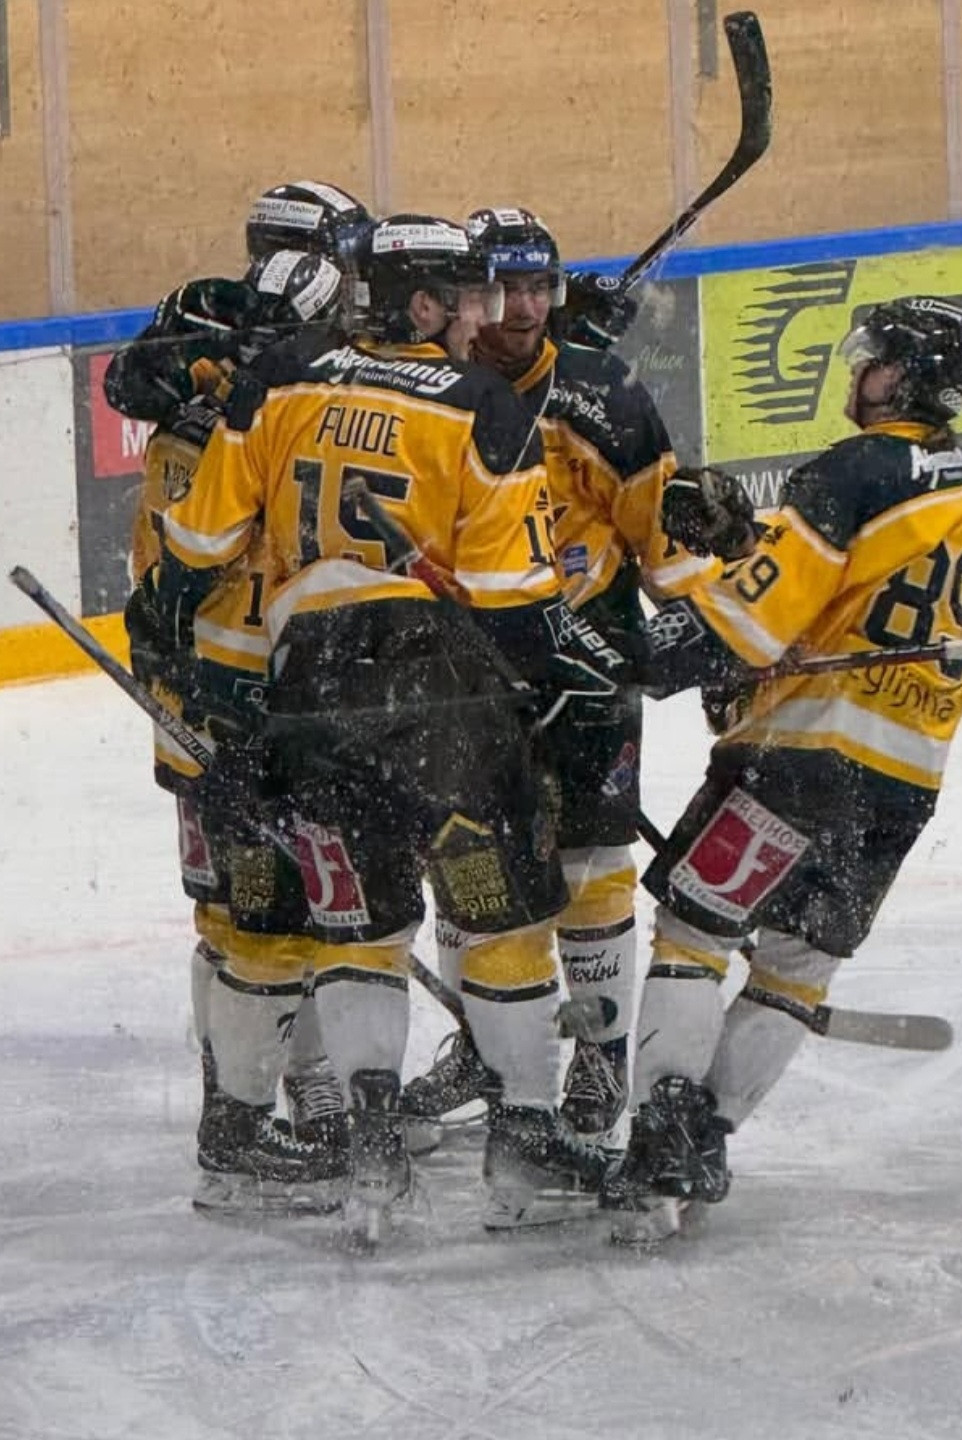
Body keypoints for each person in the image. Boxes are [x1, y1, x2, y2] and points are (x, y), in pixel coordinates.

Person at [152, 215, 620, 1236]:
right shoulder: (481, 405)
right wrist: (565, 676)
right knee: (500, 918)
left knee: (357, 924)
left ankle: (371, 1156)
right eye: (470, 298)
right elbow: (511, 600)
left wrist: (177, 648)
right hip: (436, 692)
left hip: (306, 688)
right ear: (424, 304)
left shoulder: (280, 378)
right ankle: (523, 1146)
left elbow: (199, 543)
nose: (486, 318)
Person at [599, 295, 962, 1243]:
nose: (861, 371)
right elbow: (835, 595)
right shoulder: (953, 477)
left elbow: (752, 624)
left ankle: (660, 1143)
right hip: (904, 779)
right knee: (795, 967)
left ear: (908, 379)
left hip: (803, 756)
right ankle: (707, 1136)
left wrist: (640, 654)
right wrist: (745, 545)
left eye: (878, 359)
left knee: (696, 933)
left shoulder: (856, 467)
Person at [401, 206, 752, 1154]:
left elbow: (668, 548)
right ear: (463, 297)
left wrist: (717, 658)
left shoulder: (604, 396)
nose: (521, 310)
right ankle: (486, 1048)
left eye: (537, 288)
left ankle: (599, 1056)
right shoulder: (431, 389)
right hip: (462, 673)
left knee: (592, 867)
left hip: (587, 668)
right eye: (501, 290)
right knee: (467, 869)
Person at [106, 182, 373, 1209]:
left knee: (255, 912)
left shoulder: (277, 378)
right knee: (252, 911)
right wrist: (212, 366)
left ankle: (277, 1092)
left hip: (228, 672)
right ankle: (242, 1114)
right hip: (226, 677)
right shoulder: (216, 353)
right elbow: (135, 381)